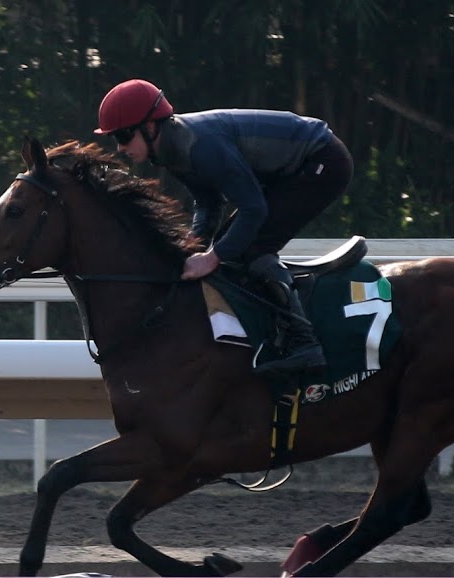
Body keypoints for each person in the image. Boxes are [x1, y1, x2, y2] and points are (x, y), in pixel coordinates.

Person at [94, 79, 353, 376]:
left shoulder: (200, 147)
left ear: (151, 127)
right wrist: (193, 244)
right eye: (116, 138)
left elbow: (254, 208)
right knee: (230, 245)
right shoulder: (170, 149)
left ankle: (304, 342)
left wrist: (212, 256)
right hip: (293, 167)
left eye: (125, 136)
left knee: (252, 248)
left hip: (323, 160)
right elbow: (208, 204)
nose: (120, 147)